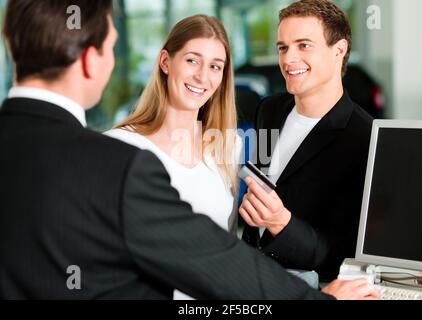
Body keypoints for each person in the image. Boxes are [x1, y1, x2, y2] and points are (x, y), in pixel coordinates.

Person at [0, 0, 379, 300]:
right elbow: (212, 258)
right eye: (282, 47)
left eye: (216, 66)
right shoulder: (120, 157)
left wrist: (283, 231)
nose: (288, 58)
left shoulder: (225, 146)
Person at [105, 15, 241, 300]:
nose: (203, 77)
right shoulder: (120, 145)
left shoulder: (227, 147)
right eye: (192, 60)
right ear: (166, 62)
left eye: (215, 66)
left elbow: (229, 253)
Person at [240, 0, 374, 282]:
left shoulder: (365, 139)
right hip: (250, 278)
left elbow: (346, 255)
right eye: (282, 47)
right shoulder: (270, 110)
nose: (288, 59)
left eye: (303, 45)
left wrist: (281, 223)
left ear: (339, 50)